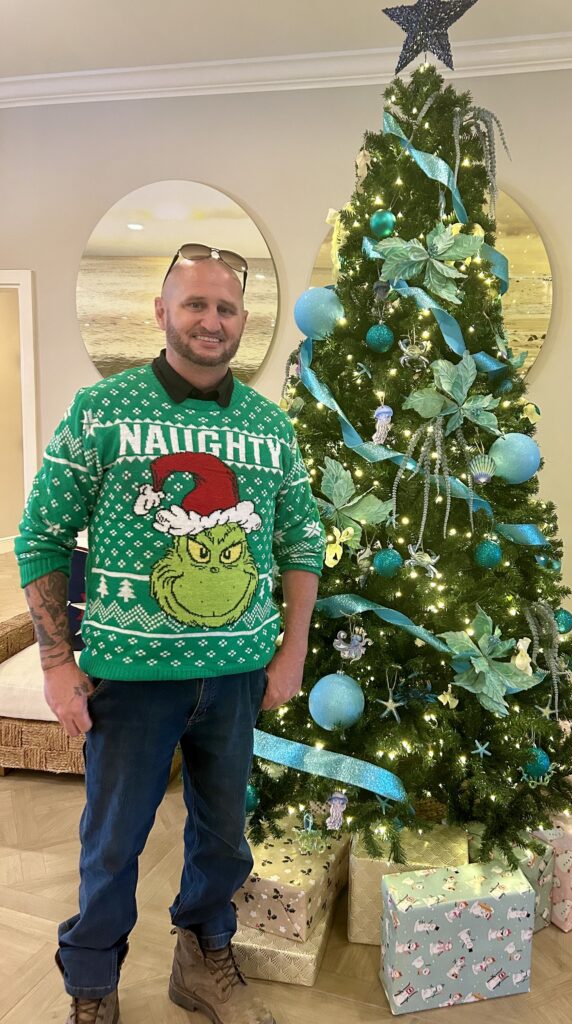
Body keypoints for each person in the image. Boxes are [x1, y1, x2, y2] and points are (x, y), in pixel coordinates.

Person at [15, 243, 324, 1024]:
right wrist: (55, 662)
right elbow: (41, 536)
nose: (210, 320)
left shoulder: (269, 426)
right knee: (113, 843)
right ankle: (92, 985)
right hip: (131, 681)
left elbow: (301, 542)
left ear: (243, 322)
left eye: (225, 307)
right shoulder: (102, 411)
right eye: (194, 304)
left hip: (237, 678)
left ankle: (203, 958)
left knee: (223, 837)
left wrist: (291, 651)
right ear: (162, 312)